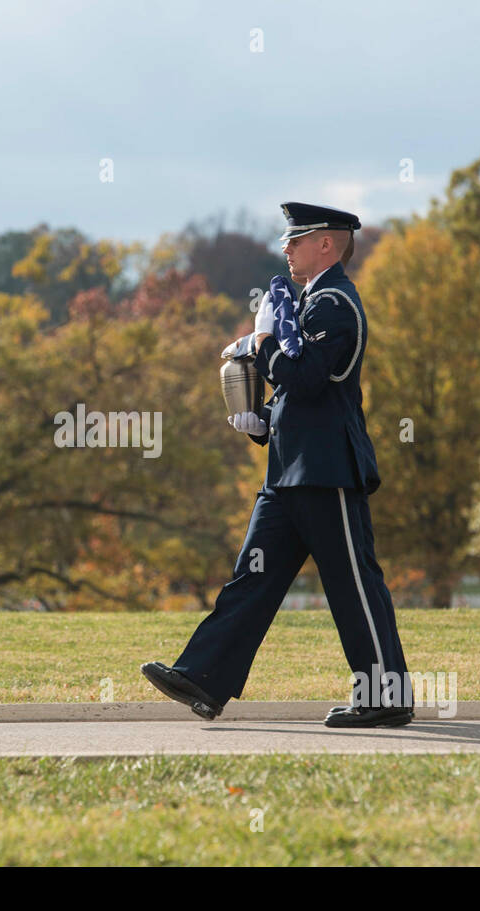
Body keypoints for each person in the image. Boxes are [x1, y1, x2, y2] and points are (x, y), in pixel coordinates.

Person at [141, 202, 413, 728]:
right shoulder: (309, 301)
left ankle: (386, 696)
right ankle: (205, 677)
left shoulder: (334, 303)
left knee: (353, 585)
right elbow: (298, 395)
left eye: (297, 238)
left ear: (326, 245)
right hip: (291, 472)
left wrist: (262, 339)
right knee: (253, 579)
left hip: (327, 470)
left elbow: (306, 376)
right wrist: (264, 421)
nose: (286, 247)